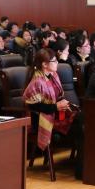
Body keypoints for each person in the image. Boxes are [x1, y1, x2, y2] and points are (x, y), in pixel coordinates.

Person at [23, 48, 82, 177]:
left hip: (56, 114)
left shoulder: (54, 76)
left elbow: (58, 97)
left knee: (83, 121)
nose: (57, 63)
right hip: (43, 119)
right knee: (80, 126)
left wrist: (62, 103)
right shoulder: (36, 81)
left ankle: (82, 166)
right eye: (54, 61)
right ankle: (80, 169)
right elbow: (34, 106)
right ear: (44, 64)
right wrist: (56, 107)